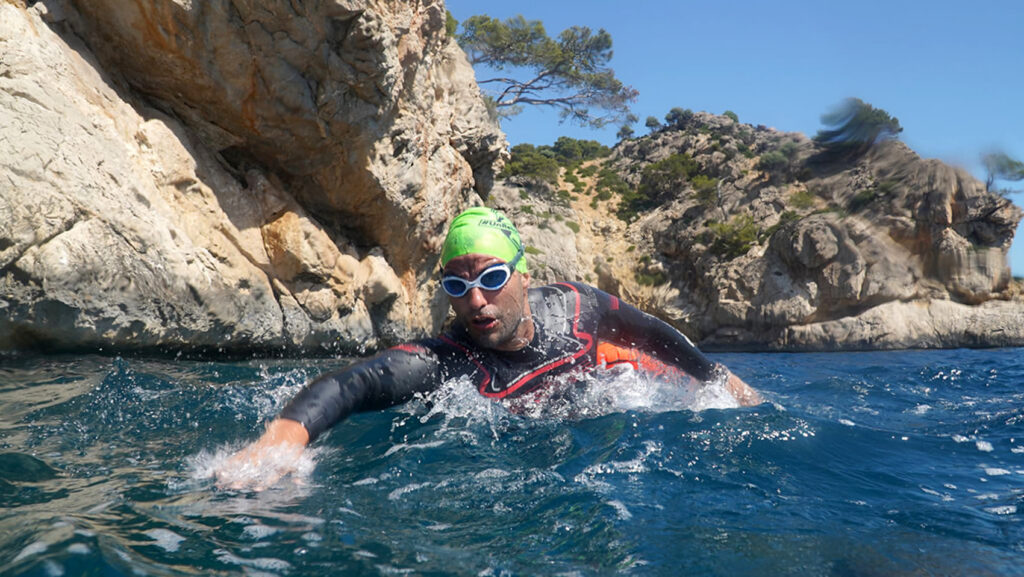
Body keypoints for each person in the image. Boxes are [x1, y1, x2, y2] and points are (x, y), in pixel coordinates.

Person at [217, 207, 760, 488]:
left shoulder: (579, 307)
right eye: (456, 285)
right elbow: (357, 382)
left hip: (607, 413)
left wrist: (718, 378)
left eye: (492, 276)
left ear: (524, 273)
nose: (475, 299)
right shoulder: (450, 362)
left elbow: (654, 334)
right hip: (529, 453)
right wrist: (283, 440)